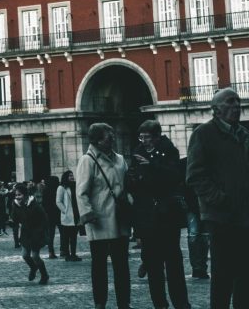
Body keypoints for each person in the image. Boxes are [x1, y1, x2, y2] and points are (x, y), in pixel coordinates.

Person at [187, 86, 249, 309]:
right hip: (220, 216)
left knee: (245, 274)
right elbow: (195, 175)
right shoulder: (203, 134)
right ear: (216, 110)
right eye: (230, 102)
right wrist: (220, 199)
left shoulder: (243, 135)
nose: (236, 106)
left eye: (238, 102)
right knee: (222, 274)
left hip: (244, 216)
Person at [127, 119, 190, 309]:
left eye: (147, 137)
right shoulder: (137, 152)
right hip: (147, 216)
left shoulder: (169, 150)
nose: (143, 140)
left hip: (167, 215)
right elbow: (133, 184)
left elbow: (174, 176)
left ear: (156, 137)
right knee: (153, 265)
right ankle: (159, 304)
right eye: (141, 137)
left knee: (173, 263)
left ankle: (181, 303)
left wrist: (151, 166)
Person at [77, 122, 132, 309]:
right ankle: (100, 302)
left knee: (122, 266)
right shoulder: (88, 160)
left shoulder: (120, 159)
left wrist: (130, 202)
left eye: (113, 135)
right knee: (99, 266)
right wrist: (87, 214)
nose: (113, 139)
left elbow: (128, 185)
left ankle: (124, 302)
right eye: (109, 136)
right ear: (98, 140)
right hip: (99, 220)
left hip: (120, 218)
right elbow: (81, 192)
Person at [20, 184, 50, 285]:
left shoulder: (36, 206)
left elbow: (45, 220)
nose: (17, 197)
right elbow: (16, 217)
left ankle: (44, 275)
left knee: (35, 256)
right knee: (25, 255)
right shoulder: (19, 204)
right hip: (26, 234)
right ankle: (33, 267)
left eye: (19, 194)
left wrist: (40, 232)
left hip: (36, 234)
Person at [56, 170, 82, 262]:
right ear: (66, 177)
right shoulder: (61, 187)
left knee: (74, 237)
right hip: (68, 215)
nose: (72, 177)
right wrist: (65, 211)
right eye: (70, 175)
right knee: (67, 237)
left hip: (76, 214)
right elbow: (58, 201)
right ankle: (67, 254)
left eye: (72, 175)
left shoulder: (75, 186)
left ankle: (73, 254)